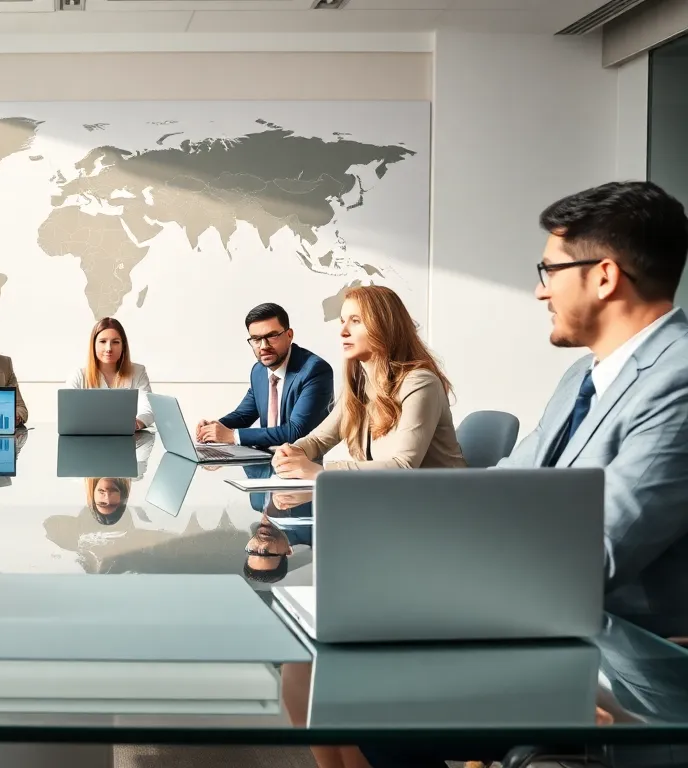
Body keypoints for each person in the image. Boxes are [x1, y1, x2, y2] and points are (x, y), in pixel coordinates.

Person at [497, 180, 688, 639]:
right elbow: (501, 491)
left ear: (604, 276)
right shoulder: (582, 375)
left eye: (550, 271)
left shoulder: (679, 379)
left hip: (639, 663)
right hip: (552, 623)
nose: (542, 292)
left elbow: (598, 555)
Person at [271, 286, 466, 478]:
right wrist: (292, 452)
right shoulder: (360, 386)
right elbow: (319, 439)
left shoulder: (420, 384)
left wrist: (321, 472)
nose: (343, 331)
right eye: (342, 321)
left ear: (384, 326)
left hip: (443, 502)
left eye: (356, 321)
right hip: (391, 501)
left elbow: (404, 466)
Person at [197, 302, 334, 448]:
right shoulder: (259, 371)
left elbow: (296, 431)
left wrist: (232, 436)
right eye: (256, 339)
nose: (263, 346)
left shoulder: (315, 370)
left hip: (300, 463)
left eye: (272, 336)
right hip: (263, 462)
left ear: (289, 335)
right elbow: (243, 415)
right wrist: (214, 427)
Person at [65, 317, 154, 429]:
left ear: (123, 346)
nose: (109, 348)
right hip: (88, 441)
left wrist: (137, 423)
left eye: (115, 342)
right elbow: (68, 415)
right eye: (102, 341)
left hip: (126, 441)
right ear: (93, 345)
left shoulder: (138, 372)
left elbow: (148, 407)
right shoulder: (78, 375)